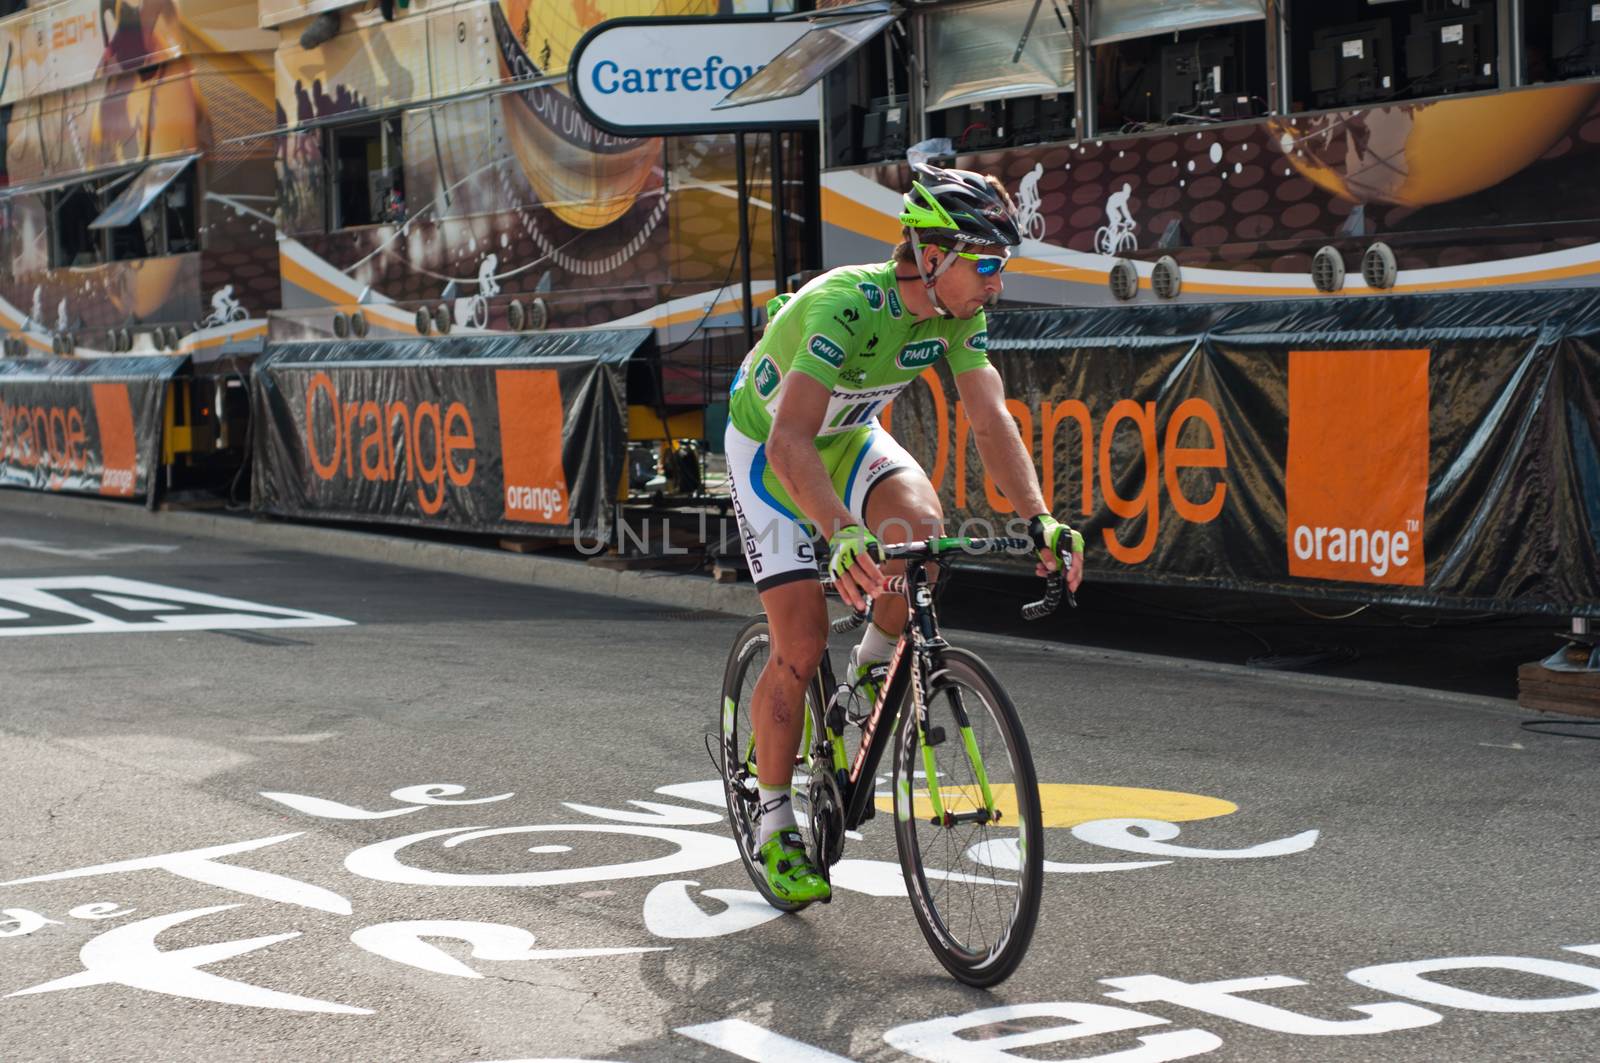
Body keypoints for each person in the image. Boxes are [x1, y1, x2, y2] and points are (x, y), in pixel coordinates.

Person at [723, 163, 1086, 904]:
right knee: (798, 639)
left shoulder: (958, 315)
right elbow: (791, 443)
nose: (997, 283)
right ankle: (772, 820)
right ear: (931, 255)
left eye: (1001, 266)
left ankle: (867, 669)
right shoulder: (844, 307)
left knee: (922, 534)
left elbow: (989, 419)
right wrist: (842, 531)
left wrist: (1039, 518)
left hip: (849, 435)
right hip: (771, 450)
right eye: (986, 264)